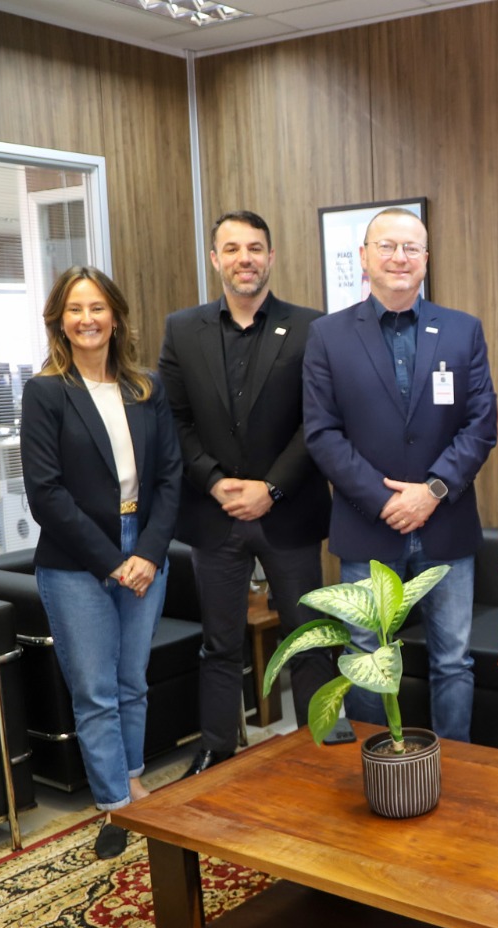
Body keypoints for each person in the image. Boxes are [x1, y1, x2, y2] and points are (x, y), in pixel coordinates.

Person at [302, 208, 497, 742]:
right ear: (363, 258)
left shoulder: (462, 331)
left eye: (411, 248)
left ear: (426, 260)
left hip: (446, 523)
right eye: (386, 246)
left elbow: (481, 424)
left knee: (453, 659)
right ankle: (375, 767)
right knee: (367, 654)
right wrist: (384, 499)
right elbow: (322, 433)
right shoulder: (327, 336)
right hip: (369, 526)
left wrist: (432, 490)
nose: (399, 257)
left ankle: (455, 767)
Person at [158, 210, 335, 774]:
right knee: (220, 642)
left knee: (307, 635)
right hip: (215, 515)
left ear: (271, 257)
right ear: (215, 259)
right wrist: (213, 480)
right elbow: (174, 419)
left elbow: (318, 422)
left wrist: (271, 488)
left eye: (254, 248)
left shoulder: (312, 328)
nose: (244, 259)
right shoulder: (183, 329)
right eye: (231, 249)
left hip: (289, 513)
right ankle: (216, 746)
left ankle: (318, 744)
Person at [21, 266, 182, 859]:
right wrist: (115, 561)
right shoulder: (45, 392)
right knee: (95, 690)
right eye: (74, 309)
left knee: (132, 678)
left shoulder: (146, 388)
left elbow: (170, 477)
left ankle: (134, 776)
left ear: (116, 316)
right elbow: (46, 493)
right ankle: (115, 801)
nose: (87, 319)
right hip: (76, 561)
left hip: (144, 544)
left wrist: (148, 552)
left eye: (97, 308)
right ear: (59, 321)